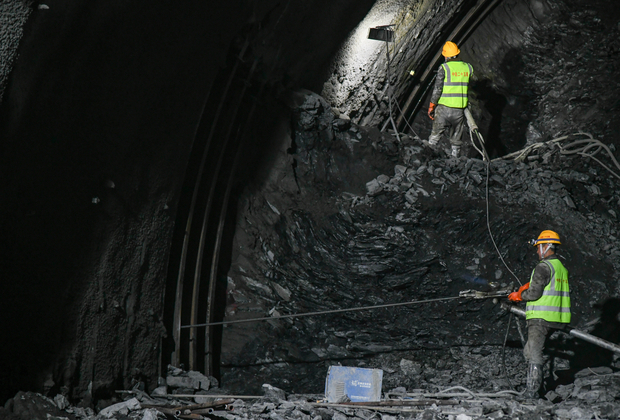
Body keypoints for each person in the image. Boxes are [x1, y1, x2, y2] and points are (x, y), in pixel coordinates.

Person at [508, 230, 571, 398]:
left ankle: (532, 393)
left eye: (539, 247)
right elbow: (549, 286)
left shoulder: (543, 266)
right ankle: (538, 388)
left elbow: (535, 294)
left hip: (541, 318)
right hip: (556, 318)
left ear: (547, 246)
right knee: (529, 351)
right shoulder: (560, 267)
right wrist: (528, 285)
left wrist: (519, 295)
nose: (537, 251)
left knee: (535, 353)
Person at [427, 41, 473, 158]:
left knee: (435, 137)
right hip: (459, 110)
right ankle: (455, 160)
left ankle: (427, 157)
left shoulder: (444, 68)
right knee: (456, 139)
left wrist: (432, 106)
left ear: (446, 56)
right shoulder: (468, 67)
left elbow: (437, 89)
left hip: (444, 109)